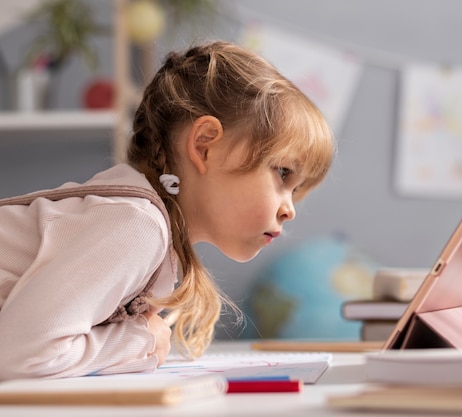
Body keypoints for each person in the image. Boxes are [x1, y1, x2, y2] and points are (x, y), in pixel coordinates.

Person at [0, 41, 335, 380]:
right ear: (205, 145)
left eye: (296, 190)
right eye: (282, 173)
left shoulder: (145, 230)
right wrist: (141, 341)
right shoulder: (135, 225)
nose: (290, 210)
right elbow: (20, 356)